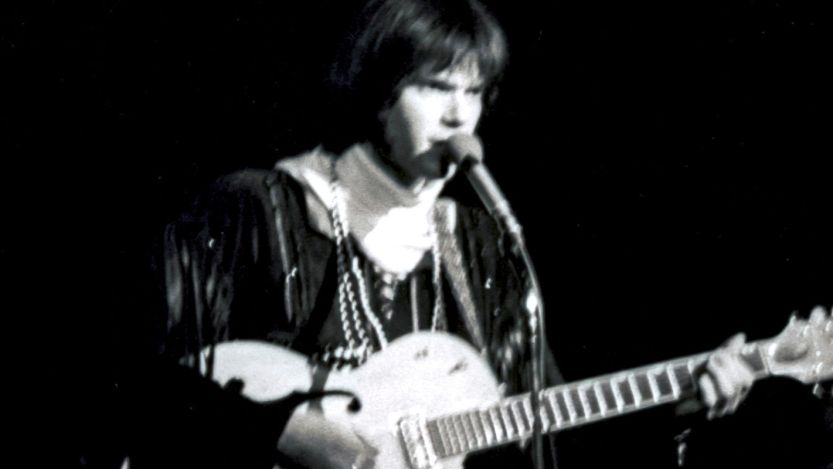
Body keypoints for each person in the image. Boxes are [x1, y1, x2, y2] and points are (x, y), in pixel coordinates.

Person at [125, 0, 763, 468]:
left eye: (475, 92)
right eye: (435, 88)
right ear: (379, 96)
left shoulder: (481, 249)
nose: (460, 115)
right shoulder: (258, 210)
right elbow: (130, 372)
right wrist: (275, 430)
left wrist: (678, 407)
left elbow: (542, 429)